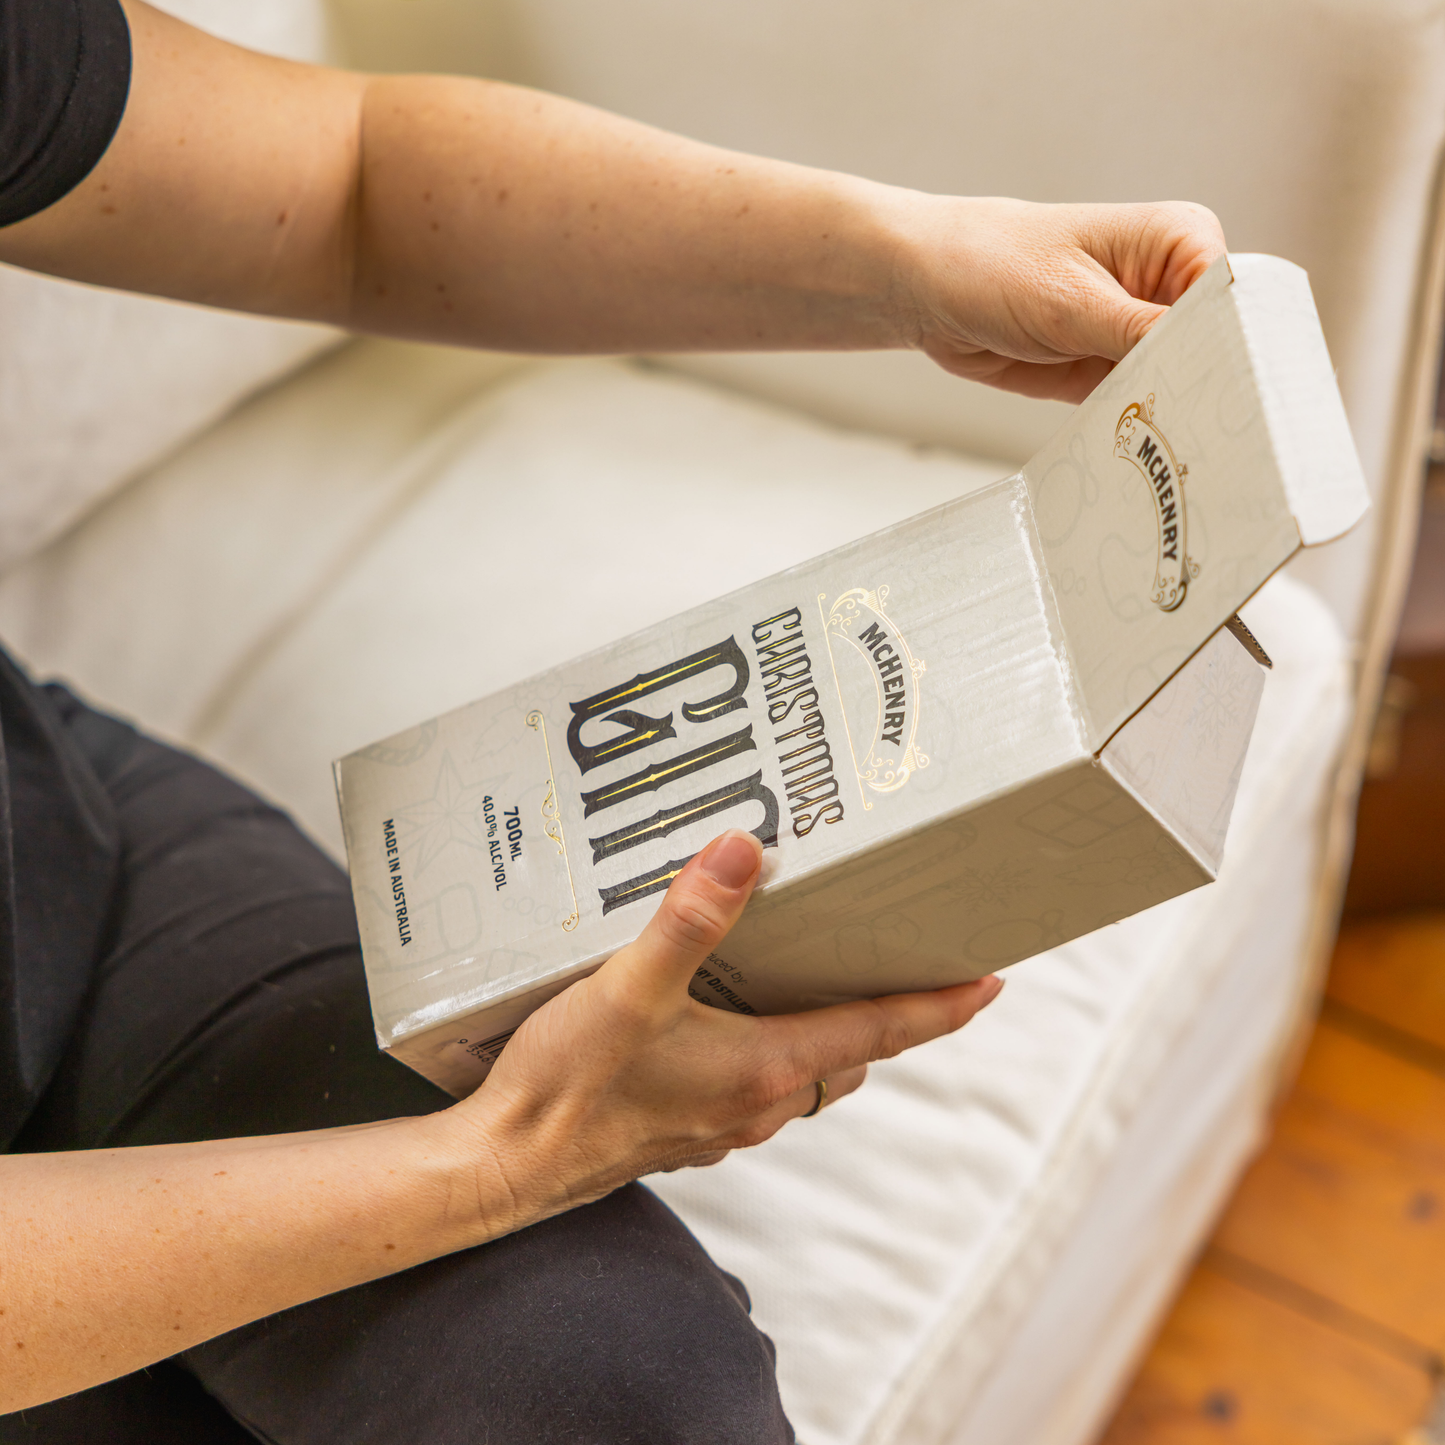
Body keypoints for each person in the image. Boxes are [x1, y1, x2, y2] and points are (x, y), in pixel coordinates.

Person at [0, 1, 1228, 1440]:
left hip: (55, 862)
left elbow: (351, 190)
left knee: (619, 1397)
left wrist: (914, 265)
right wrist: (502, 1163)